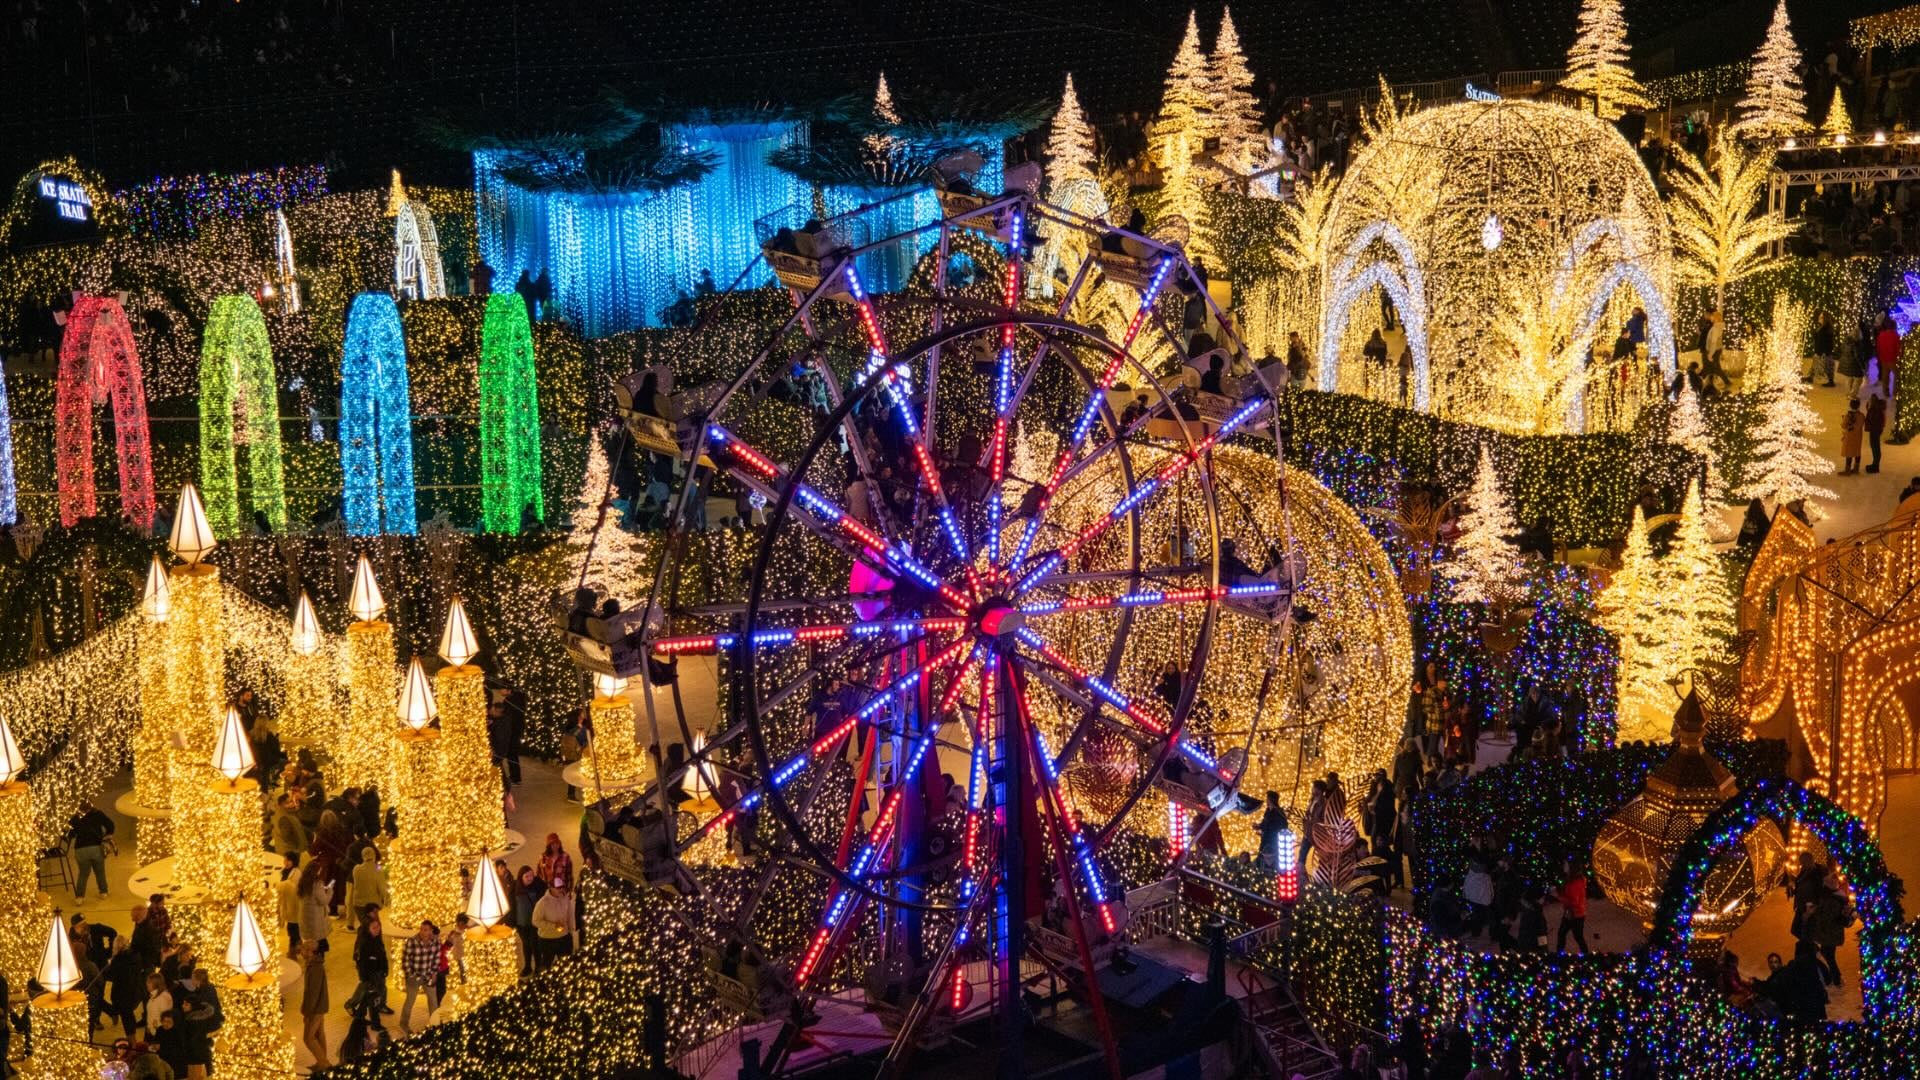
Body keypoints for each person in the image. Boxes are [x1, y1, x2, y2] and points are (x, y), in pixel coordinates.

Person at [68, 799, 116, 900]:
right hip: (96, 848)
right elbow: (110, 825)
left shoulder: (76, 817)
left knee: (83, 874)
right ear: (91, 806)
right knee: (100, 872)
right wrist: (107, 835)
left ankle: (79, 897)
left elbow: (70, 834)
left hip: (80, 850)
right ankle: (103, 892)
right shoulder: (98, 814)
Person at [399, 921, 441, 1035]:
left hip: (428, 976)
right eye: (421, 929)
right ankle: (403, 1024)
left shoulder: (436, 942)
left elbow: (437, 959)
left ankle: (435, 1024)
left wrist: (434, 973)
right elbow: (405, 960)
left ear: (431, 930)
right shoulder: (412, 941)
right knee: (410, 1001)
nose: (423, 932)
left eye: (426, 930)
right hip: (414, 977)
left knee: (433, 1001)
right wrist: (411, 975)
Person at [350, 908, 390, 1020]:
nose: (377, 930)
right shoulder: (365, 943)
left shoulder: (377, 938)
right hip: (369, 972)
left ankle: (381, 1005)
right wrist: (365, 976)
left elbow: (382, 954)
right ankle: (351, 1004)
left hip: (378, 969)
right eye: (374, 928)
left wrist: (385, 968)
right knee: (365, 989)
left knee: (382, 987)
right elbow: (362, 961)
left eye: (378, 927)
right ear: (368, 929)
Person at [532, 875, 576, 970]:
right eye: (558, 888)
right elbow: (535, 921)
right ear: (550, 887)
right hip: (548, 940)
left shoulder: (565, 898)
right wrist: (553, 926)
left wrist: (571, 930)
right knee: (547, 965)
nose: (560, 890)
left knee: (566, 964)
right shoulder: (542, 903)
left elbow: (570, 914)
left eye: (561, 887)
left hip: (564, 937)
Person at [297, 942, 330, 1070]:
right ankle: (321, 1063)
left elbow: (313, 994)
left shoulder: (315, 968)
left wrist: (308, 1013)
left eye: (304, 949)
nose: (301, 951)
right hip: (320, 1006)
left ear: (311, 952)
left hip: (316, 1008)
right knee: (319, 1034)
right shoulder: (314, 964)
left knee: (308, 1038)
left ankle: (325, 1064)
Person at [103, 938, 143, 1039]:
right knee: (129, 1015)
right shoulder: (136, 956)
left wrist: (109, 966)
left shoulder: (118, 959)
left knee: (127, 1017)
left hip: (122, 994)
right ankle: (132, 1038)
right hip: (135, 990)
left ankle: (132, 1041)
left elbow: (111, 975)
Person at [349, 844, 389, 931]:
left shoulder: (356, 869)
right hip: (372, 905)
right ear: (374, 855)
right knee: (374, 928)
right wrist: (386, 899)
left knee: (365, 926)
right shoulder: (378, 868)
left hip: (358, 904)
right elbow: (382, 887)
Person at [297, 859, 333, 955]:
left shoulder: (302, 882)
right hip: (315, 919)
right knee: (319, 944)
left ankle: (309, 959)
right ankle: (317, 964)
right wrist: (329, 891)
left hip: (305, 917)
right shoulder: (317, 884)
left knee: (309, 942)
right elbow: (324, 901)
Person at [1555, 860, 1590, 954]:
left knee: (1577, 936)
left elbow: (1574, 902)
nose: (1564, 866)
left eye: (1566, 865)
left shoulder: (1575, 883)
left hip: (1576, 914)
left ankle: (1585, 955)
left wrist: (1558, 896)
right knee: (1564, 934)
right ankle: (1560, 954)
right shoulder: (1571, 879)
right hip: (1571, 913)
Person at [512, 866, 540, 975]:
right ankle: (527, 966)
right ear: (521, 877)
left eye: (531, 875)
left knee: (535, 944)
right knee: (526, 944)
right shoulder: (516, 887)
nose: (530, 878)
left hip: (534, 923)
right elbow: (512, 905)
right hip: (521, 923)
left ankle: (538, 966)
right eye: (527, 876)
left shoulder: (537, 886)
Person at [276, 852, 302, 954]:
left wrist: (278, 885)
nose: (285, 862)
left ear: (293, 861)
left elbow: (291, 886)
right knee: (292, 927)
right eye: (285, 860)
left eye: (287, 860)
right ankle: (296, 946)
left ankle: (293, 949)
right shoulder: (284, 872)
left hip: (294, 904)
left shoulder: (296, 872)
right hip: (286, 903)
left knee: (293, 927)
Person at [1257, 792, 1289, 872]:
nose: (1266, 800)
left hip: (1273, 842)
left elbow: (1282, 826)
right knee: (1262, 857)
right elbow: (1265, 824)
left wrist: (1268, 831)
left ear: (1271, 799)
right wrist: (1259, 826)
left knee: (1271, 860)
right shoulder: (1268, 811)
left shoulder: (1278, 812)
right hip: (1265, 840)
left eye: (1267, 798)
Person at [1865, 391, 1887, 474]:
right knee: (1875, 447)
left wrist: (1869, 411)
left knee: (1875, 447)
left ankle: (1875, 466)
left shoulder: (1876, 410)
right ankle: (1875, 464)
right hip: (1876, 430)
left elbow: (1873, 419)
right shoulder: (1877, 409)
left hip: (1874, 430)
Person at [1812, 311, 1837, 385]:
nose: (1819, 318)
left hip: (1824, 351)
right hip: (1820, 350)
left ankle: (1831, 381)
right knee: (1815, 363)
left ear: (1825, 319)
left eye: (1821, 317)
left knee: (1827, 365)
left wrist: (1825, 352)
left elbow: (1827, 342)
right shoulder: (1822, 327)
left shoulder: (1826, 329)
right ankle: (1810, 376)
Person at [1840, 398, 1864, 474]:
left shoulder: (1848, 415)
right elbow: (1860, 424)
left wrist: (1844, 419)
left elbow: (1844, 425)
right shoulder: (1861, 415)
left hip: (1849, 436)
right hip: (1858, 436)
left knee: (1849, 453)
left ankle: (1847, 469)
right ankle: (1856, 468)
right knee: (1857, 451)